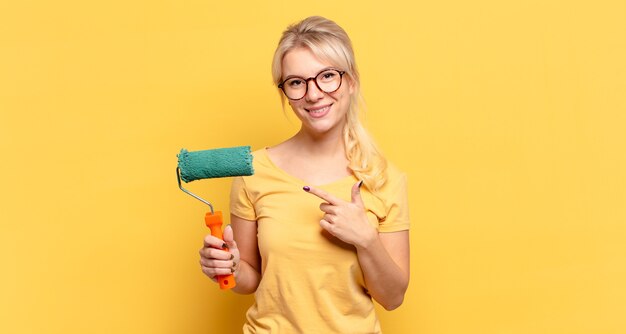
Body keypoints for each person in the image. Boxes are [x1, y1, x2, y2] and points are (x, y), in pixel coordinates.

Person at [199, 16, 410, 333]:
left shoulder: (384, 179)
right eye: (297, 82)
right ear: (285, 91)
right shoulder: (253, 172)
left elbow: (392, 298)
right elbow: (251, 277)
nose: (313, 94)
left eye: (327, 76)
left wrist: (366, 239)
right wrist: (229, 267)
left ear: (351, 81)